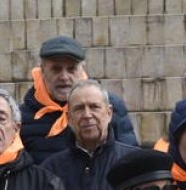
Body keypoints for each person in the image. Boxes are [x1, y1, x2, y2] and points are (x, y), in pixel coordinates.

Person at [19, 36, 138, 165]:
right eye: (56, 69)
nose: (64, 77)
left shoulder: (111, 105)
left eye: (71, 69)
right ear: (42, 71)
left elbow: (130, 160)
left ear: (82, 70)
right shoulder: (23, 117)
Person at [41, 80, 140, 190]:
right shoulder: (50, 170)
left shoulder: (134, 163)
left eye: (94, 107)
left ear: (109, 113)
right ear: (68, 117)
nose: (87, 115)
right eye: (79, 109)